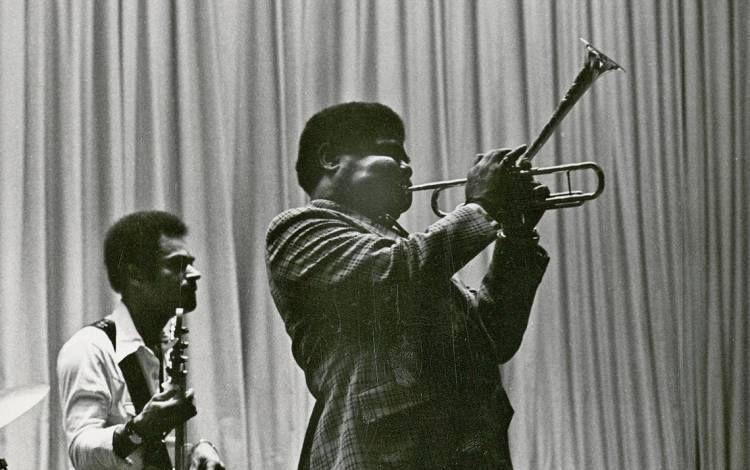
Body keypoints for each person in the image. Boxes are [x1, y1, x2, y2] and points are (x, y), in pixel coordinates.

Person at [266, 102, 550, 469]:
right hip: (382, 453)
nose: (408, 167)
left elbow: (493, 338)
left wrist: (517, 236)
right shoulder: (300, 229)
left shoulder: (410, 250)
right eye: (390, 152)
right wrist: (481, 205)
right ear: (330, 158)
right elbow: (391, 272)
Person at [57, 210, 225, 470]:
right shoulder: (90, 348)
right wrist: (138, 429)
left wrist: (200, 449)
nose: (195, 273)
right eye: (178, 265)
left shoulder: (166, 344)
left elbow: (158, 448)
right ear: (135, 275)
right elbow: (80, 450)